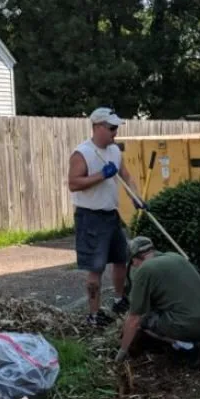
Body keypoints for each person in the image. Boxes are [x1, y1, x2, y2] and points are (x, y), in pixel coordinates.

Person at [68, 107, 141, 328]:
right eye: (111, 128)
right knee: (96, 267)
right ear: (98, 127)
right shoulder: (82, 153)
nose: (115, 132)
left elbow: (125, 174)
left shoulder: (114, 151)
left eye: (116, 127)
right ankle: (93, 314)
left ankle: (119, 301)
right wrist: (102, 175)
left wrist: (136, 196)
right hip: (90, 217)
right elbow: (73, 183)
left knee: (121, 259)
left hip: (111, 214)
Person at [116, 236, 200, 368]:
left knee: (143, 322)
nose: (133, 265)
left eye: (132, 262)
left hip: (194, 324)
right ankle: (192, 337)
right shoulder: (174, 256)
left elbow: (134, 319)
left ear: (136, 258)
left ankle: (189, 346)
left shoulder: (145, 269)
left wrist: (122, 351)